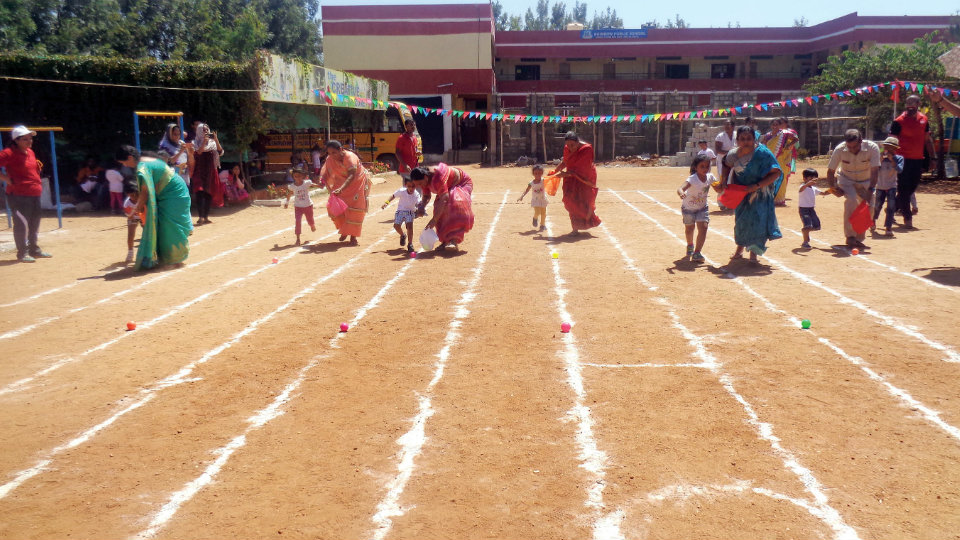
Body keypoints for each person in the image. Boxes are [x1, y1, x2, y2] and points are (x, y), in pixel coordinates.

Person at [720, 125, 783, 262]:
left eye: (749, 138)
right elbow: (725, 165)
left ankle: (754, 252)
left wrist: (756, 186)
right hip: (741, 193)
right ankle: (739, 249)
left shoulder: (763, 153)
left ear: (754, 139)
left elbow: (776, 173)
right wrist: (724, 180)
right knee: (741, 222)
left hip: (760, 194)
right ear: (737, 141)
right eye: (742, 139)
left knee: (758, 222)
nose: (746, 141)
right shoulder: (733, 154)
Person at [129, 147, 193, 270]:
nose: (124, 165)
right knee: (164, 226)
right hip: (166, 194)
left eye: (123, 162)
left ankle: (175, 260)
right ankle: (167, 258)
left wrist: (137, 208)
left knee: (170, 226)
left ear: (130, 158)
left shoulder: (143, 167)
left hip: (173, 194)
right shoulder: (147, 164)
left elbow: (145, 192)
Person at [0, 125, 52, 262]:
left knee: (34, 222)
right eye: (25, 139)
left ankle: (34, 249)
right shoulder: (8, 153)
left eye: (30, 138)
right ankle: (22, 253)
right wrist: (5, 178)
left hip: (34, 193)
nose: (29, 141)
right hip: (18, 195)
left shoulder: (30, 152)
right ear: (16, 140)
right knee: (22, 224)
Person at [826, 129, 880, 249]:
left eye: (854, 147)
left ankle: (859, 238)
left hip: (866, 180)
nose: (851, 150)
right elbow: (830, 171)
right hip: (847, 180)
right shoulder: (840, 149)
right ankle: (850, 237)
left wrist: (870, 191)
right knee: (851, 201)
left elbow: (875, 171)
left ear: (861, 141)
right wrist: (833, 188)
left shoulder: (872, 148)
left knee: (870, 208)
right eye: (849, 147)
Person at [890, 94, 936, 229]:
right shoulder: (898, 121)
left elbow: (928, 140)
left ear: (918, 105)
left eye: (913, 104)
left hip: (918, 159)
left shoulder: (924, 120)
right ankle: (907, 217)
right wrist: (890, 157)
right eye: (908, 104)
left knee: (912, 188)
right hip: (902, 159)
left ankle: (892, 208)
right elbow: (891, 141)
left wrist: (933, 158)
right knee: (904, 188)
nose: (910, 107)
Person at [410, 163, 474, 251]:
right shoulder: (425, 179)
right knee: (438, 208)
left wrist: (434, 220)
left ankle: (453, 240)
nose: (421, 186)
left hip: (462, 183)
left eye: (420, 183)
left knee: (453, 204)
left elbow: (444, 198)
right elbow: (426, 196)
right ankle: (445, 240)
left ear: (425, 177)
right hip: (447, 188)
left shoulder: (438, 176)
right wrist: (422, 207)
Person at [549, 131, 601, 236]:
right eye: (568, 145)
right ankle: (575, 228)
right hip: (570, 177)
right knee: (570, 200)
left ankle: (589, 218)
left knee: (583, 202)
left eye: (572, 145)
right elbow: (565, 162)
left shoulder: (586, 149)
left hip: (584, 178)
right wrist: (555, 171)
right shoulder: (567, 148)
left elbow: (582, 169)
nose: (570, 147)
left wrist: (564, 175)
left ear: (578, 142)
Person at [321, 140, 371, 245]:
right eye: (329, 153)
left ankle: (353, 237)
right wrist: (322, 179)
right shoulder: (330, 159)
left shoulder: (350, 157)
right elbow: (325, 173)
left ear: (341, 150)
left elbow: (351, 175)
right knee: (335, 209)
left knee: (355, 211)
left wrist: (342, 188)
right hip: (339, 185)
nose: (331, 156)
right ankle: (345, 230)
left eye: (334, 153)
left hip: (356, 185)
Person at [677, 155, 717, 262]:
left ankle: (697, 252)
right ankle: (690, 244)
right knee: (689, 229)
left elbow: (718, 188)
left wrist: (723, 187)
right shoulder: (692, 179)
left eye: (707, 166)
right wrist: (681, 193)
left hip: (702, 208)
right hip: (688, 208)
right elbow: (680, 188)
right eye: (702, 166)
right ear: (695, 167)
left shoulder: (711, 177)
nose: (705, 169)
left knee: (703, 228)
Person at [760, 117, 799, 207]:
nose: (775, 126)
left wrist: (788, 145)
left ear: (780, 126)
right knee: (769, 178)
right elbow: (763, 145)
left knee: (781, 178)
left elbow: (795, 139)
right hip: (770, 160)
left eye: (777, 125)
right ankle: (770, 198)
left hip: (781, 159)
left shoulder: (784, 134)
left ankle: (780, 200)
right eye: (773, 125)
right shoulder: (768, 135)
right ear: (771, 125)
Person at [190, 123, 224, 225]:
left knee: (209, 193)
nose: (206, 132)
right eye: (203, 130)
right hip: (199, 171)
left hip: (210, 170)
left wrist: (216, 139)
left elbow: (221, 152)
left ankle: (206, 217)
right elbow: (199, 152)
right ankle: (200, 217)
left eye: (207, 130)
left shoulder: (212, 143)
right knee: (200, 193)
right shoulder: (194, 142)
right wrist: (204, 142)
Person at [381, 176, 422, 252]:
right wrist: (386, 203)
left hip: (410, 212)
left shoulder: (416, 194)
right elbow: (393, 196)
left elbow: (419, 203)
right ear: (406, 185)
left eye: (413, 186)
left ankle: (410, 244)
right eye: (409, 186)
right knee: (396, 226)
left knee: (409, 227)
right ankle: (403, 235)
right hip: (400, 211)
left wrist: (420, 209)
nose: (411, 188)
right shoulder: (401, 191)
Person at [873, 136, 903, 237]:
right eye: (887, 147)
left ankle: (888, 227)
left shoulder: (899, 158)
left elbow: (900, 170)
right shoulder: (879, 157)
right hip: (880, 185)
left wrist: (892, 160)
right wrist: (880, 159)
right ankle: (873, 220)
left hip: (892, 186)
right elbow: (874, 169)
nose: (889, 150)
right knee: (877, 206)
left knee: (891, 207)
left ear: (895, 149)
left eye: (891, 148)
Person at [797, 168, 831, 248]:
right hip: (804, 210)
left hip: (811, 209)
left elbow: (823, 193)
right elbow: (801, 189)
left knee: (817, 226)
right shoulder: (803, 186)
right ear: (804, 179)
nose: (813, 180)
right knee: (808, 225)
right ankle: (805, 242)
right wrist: (807, 184)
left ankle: (805, 231)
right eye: (810, 178)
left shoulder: (814, 189)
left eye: (814, 178)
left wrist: (832, 190)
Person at [284, 166, 316, 246]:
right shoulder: (292, 186)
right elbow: (289, 194)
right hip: (298, 207)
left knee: (310, 220)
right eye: (295, 176)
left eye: (299, 176)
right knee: (297, 222)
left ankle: (312, 225)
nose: (298, 178)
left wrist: (320, 186)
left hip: (308, 205)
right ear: (293, 177)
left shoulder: (306, 183)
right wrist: (286, 202)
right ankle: (298, 239)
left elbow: (313, 184)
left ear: (303, 176)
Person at [517, 164, 548, 231]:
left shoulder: (544, 180)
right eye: (536, 173)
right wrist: (522, 196)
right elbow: (527, 190)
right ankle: (535, 218)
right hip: (535, 200)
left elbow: (551, 179)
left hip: (543, 199)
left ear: (542, 173)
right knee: (537, 212)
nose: (537, 175)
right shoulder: (531, 183)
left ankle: (542, 225)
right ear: (533, 174)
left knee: (543, 213)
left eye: (539, 173)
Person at [122, 184, 143, 263]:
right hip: (133, 217)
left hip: (143, 217)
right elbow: (129, 216)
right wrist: (131, 215)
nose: (132, 197)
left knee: (147, 234)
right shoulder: (127, 203)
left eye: (133, 194)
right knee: (130, 235)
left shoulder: (142, 198)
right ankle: (130, 252)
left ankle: (146, 252)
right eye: (130, 195)